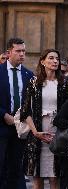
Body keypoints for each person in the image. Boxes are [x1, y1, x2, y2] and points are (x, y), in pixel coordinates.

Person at [20, 49, 68, 189]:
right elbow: (25, 111)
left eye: (57, 58)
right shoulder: (34, 82)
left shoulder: (64, 83)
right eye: (51, 58)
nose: (55, 61)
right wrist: (35, 132)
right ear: (43, 62)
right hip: (37, 135)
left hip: (58, 134)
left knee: (55, 177)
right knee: (37, 177)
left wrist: (62, 131)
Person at [0, 38, 33, 189]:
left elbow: (31, 101)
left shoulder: (29, 75)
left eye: (23, 51)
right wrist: (3, 115)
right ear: (8, 53)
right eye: (18, 51)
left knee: (17, 168)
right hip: (2, 126)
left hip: (21, 129)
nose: (22, 54)